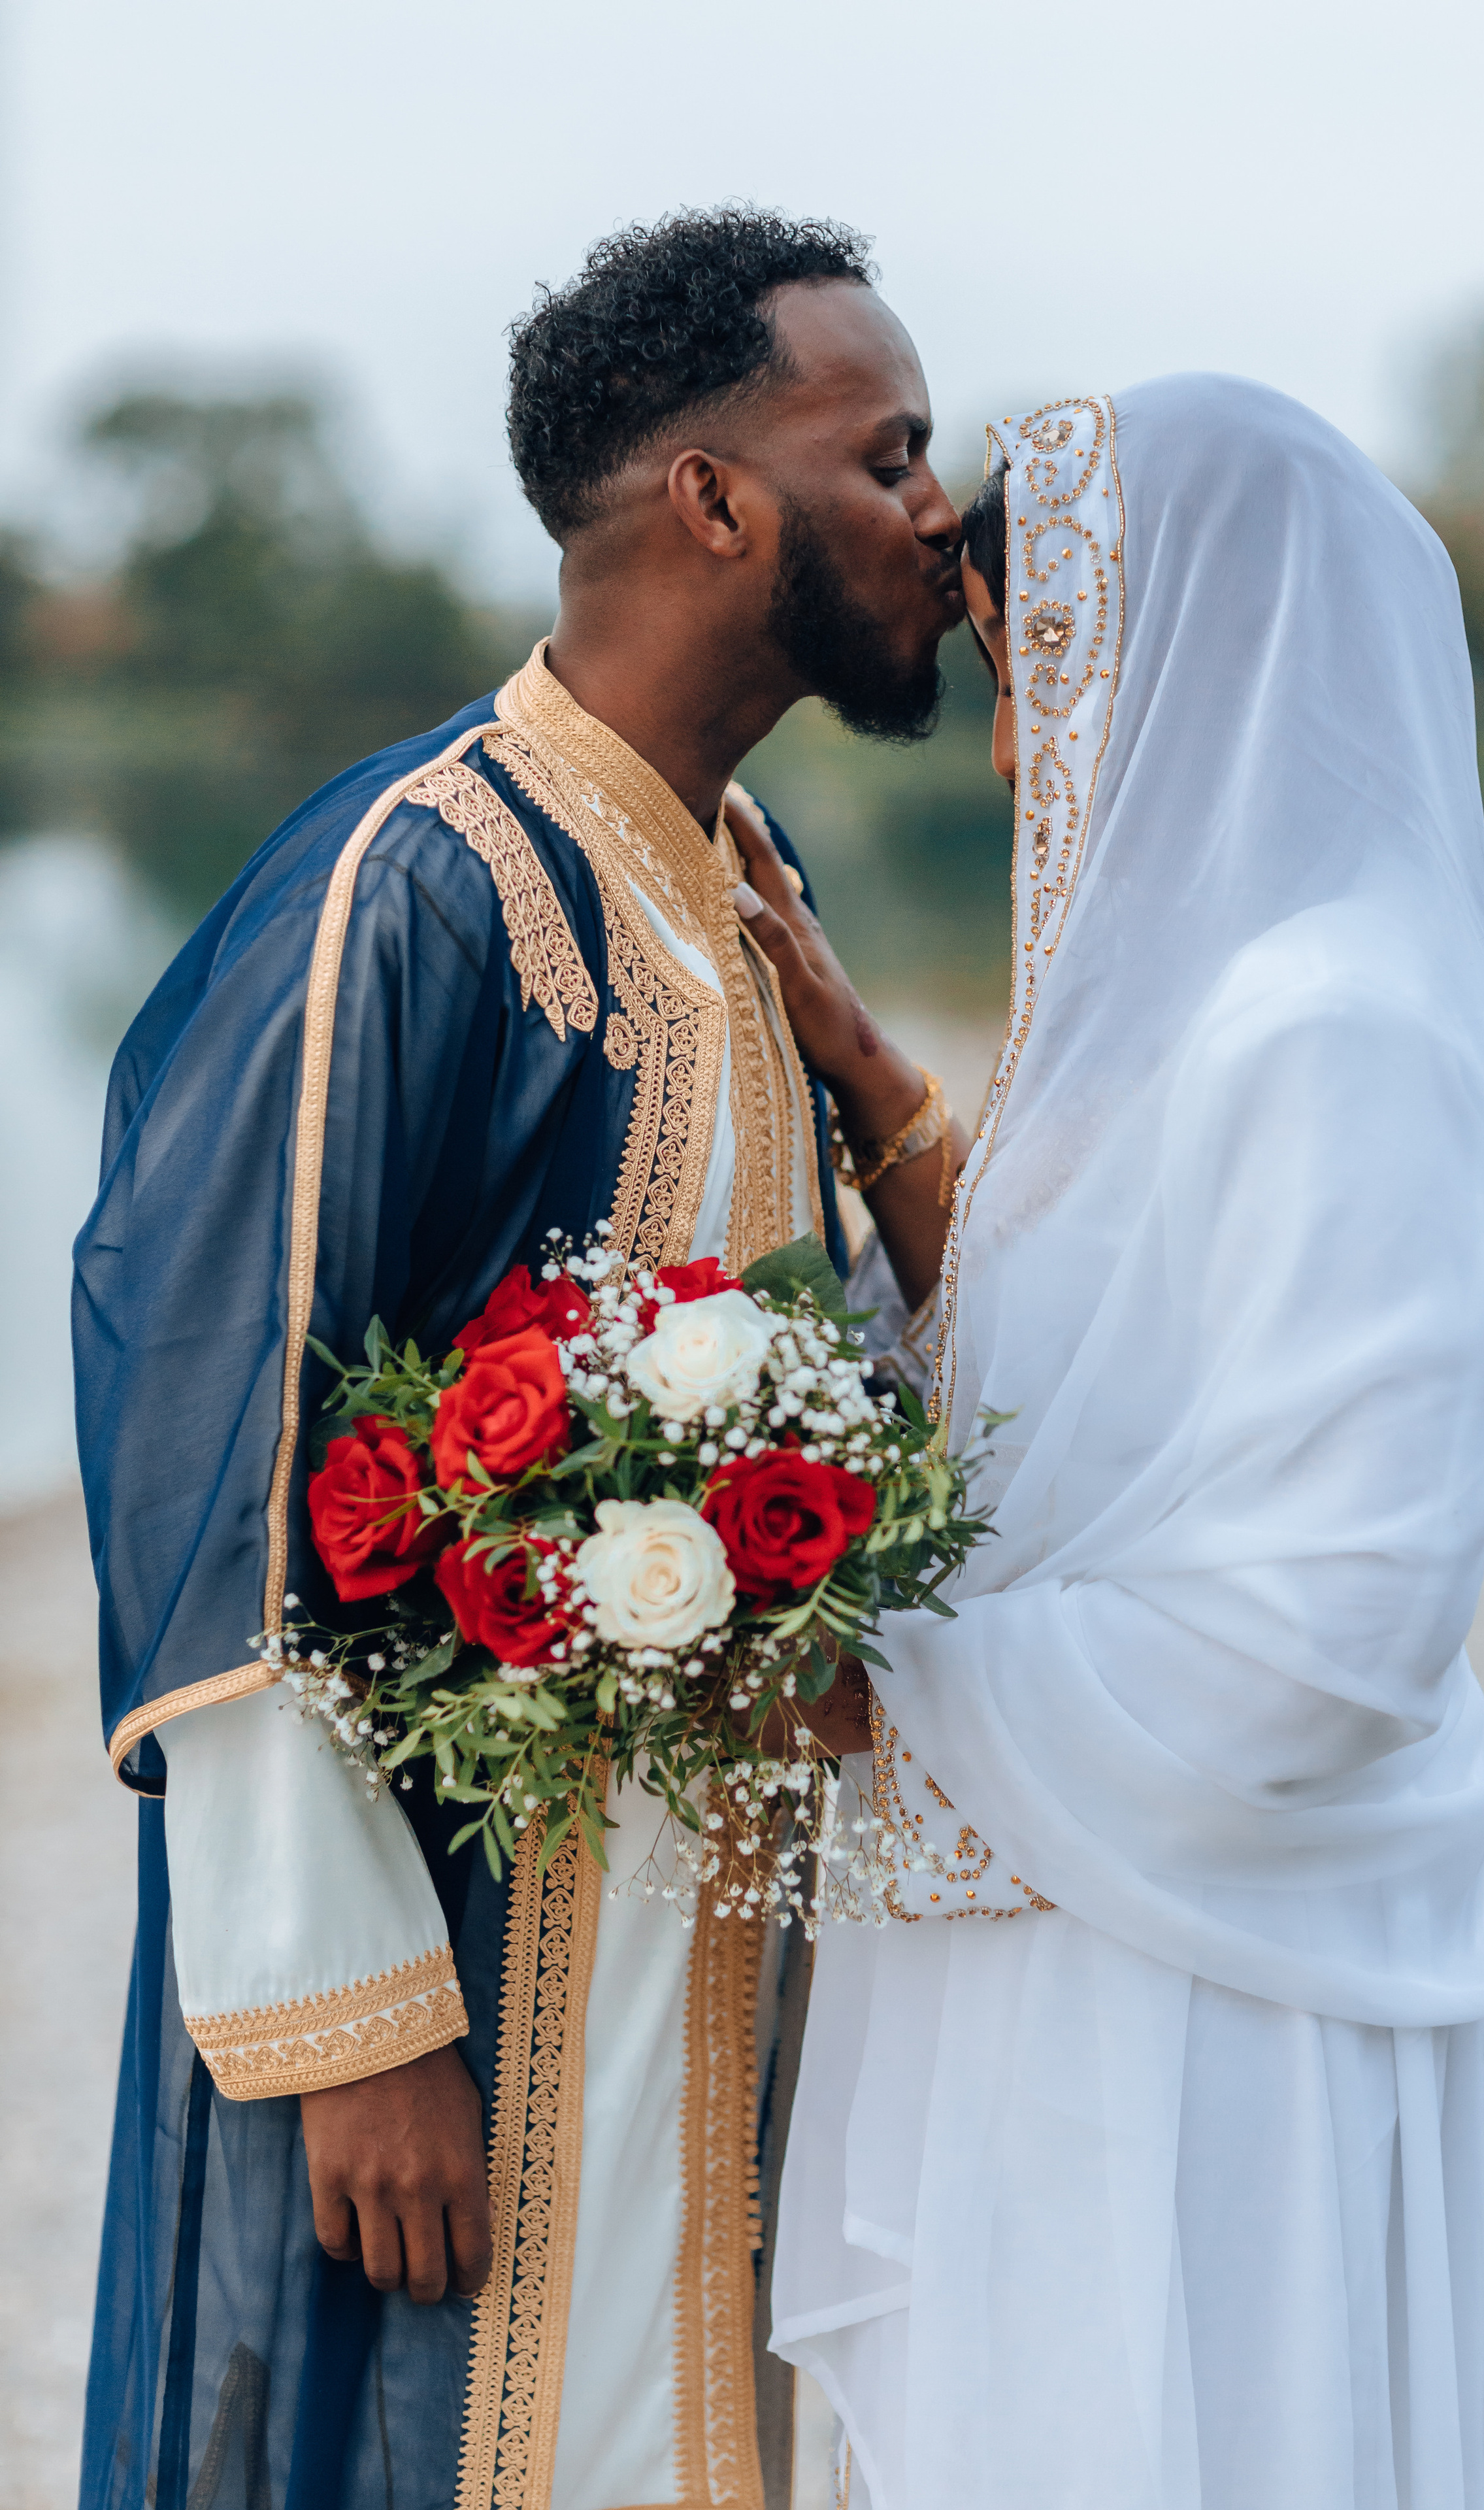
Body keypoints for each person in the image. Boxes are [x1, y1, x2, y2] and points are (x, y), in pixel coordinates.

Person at [75, 208, 964, 2510]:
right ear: (712, 500)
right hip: (457, 1969)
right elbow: (213, 1429)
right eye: (891, 457)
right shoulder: (421, 880)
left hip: (718, 1924)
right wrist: (350, 2022)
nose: (937, 513)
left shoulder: (740, 877)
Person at [768, 379, 1484, 2509]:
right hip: (1097, 1922)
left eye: (1040, 676)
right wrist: (866, 1087)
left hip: (1209, 1998)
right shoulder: (1211, 1006)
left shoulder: (1336, 1026)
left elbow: (1345, 1619)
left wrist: (889, 1687)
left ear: (1200, 651)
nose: (1015, 750)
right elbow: (1116, 1409)